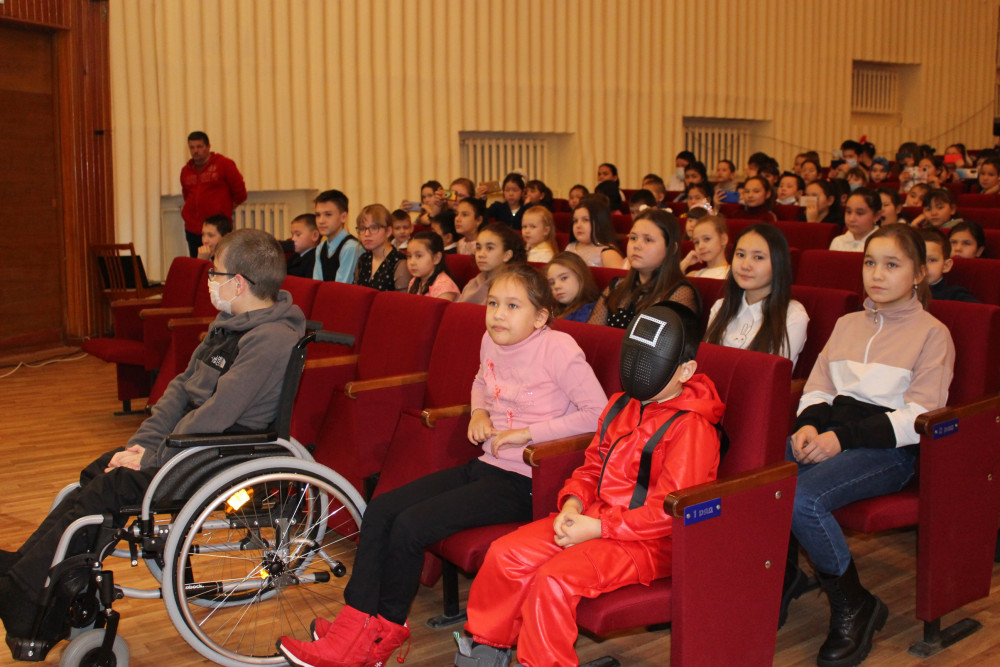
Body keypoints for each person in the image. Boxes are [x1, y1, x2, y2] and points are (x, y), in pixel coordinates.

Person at [277, 264, 609, 667]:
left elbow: (598, 414)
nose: (498, 314)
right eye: (493, 303)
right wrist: (479, 412)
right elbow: (480, 382)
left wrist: (527, 433)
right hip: (488, 465)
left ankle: (380, 637)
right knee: (380, 509)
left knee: (411, 525)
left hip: (529, 480)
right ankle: (354, 625)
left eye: (512, 306)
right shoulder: (491, 340)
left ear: (540, 317)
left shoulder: (558, 349)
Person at [0, 229, 306, 653]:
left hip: (222, 450)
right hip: (190, 442)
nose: (209, 281)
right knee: (100, 471)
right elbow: (180, 390)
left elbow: (216, 414)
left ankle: (26, 590)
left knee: (112, 488)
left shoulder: (270, 339)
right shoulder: (228, 324)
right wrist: (140, 446)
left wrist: (152, 459)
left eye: (214, 273)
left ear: (238, 283)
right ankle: (28, 572)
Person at [454, 302, 724, 667]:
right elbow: (592, 467)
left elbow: (667, 514)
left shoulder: (693, 428)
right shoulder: (621, 405)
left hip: (650, 542)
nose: (637, 370)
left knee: (554, 579)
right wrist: (573, 504)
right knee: (506, 553)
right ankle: (488, 649)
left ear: (685, 371)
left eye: (649, 363)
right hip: (596, 517)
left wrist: (599, 528)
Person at [782, 224, 955, 667]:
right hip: (833, 436)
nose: (877, 274)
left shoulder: (932, 333)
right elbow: (819, 386)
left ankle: (855, 603)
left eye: (892, 265)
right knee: (757, 477)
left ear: (918, 273)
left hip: (888, 452)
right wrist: (808, 425)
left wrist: (841, 438)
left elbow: (919, 417)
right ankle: (781, 577)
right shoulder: (847, 324)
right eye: (870, 263)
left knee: (802, 499)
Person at [705, 224, 809, 371]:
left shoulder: (792, 316)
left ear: (778, 263)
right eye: (740, 255)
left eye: (758, 257)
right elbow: (707, 363)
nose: (745, 265)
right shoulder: (720, 307)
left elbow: (772, 376)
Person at [589, 208, 701, 328]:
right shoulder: (616, 286)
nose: (637, 246)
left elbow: (668, 338)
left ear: (671, 248)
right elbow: (592, 333)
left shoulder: (679, 293)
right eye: (633, 238)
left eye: (648, 240)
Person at [179, 131, 247, 258]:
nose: (195, 151)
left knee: (221, 260)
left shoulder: (224, 164)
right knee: (198, 263)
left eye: (199, 147)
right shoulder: (186, 171)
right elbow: (186, 195)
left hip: (217, 229)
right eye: (192, 147)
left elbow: (240, 193)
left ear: (208, 147)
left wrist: (225, 208)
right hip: (193, 228)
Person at [457, 223, 527, 305]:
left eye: (489, 248)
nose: (481, 254)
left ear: (507, 255)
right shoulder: (474, 283)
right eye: (478, 248)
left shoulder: (514, 287)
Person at [354, 204, 410, 292]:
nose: (367, 234)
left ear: (388, 231)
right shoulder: (363, 259)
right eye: (362, 228)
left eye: (374, 228)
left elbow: (402, 299)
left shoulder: (400, 262)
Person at [312, 189, 362, 283]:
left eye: (328, 214)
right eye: (318, 215)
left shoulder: (351, 248)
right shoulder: (320, 247)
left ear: (343, 217)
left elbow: (341, 287)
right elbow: (316, 284)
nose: (321, 221)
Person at [564, 194, 625, 268]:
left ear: (600, 223)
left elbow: (620, 275)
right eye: (575, 221)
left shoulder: (607, 252)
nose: (578, 225)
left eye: (585, 220)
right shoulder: (570, 247)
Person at [921, 228, 979, 303]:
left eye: (932, 260)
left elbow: (979, 310)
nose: (923, 267)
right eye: (917, 259)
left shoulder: (955, 295)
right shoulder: (905, 292)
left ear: (946, 266)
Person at [546, 252, 600, 323]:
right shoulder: (552, 310)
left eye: (564, 278)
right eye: (552, 283)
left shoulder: (590, 311)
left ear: (580, 277)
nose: (556, 286)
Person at [406, 230, 460, 301]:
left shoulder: (445, 287)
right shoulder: (414, 281)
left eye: (419, 256)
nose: (412, 262)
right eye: (409, 256)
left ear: (436, 258)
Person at [830, 187, 882, 252]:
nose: (851, 219)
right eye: (849, 212)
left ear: (876, 216)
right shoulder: (838, 242)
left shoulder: (883, 244)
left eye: (860, 213)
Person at [286, 213, 320, 278]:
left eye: (298, 234)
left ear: (315, 236)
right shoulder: (295, 256)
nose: (293, 239)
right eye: (292, 235)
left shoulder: (315, 259)